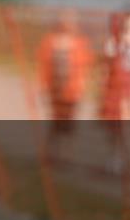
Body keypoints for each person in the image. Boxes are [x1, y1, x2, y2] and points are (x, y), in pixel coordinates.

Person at [36, 10, 93, 160]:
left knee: (69, 123)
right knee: (55, 121)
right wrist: (43, 87)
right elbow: (44, 66)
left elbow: (84, 67)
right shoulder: (50, 42)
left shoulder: (80, 43)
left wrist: (82, 86)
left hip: (71, 91)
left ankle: (67, 154)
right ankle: (52, 153)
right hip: (55, 90)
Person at [98, 9, 130, 171]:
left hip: (128, 85)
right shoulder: (113, 41)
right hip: (114, 86)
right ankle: (114, 155)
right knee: (113, 125)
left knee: (127, 123)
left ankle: (124, 157)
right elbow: (106, 67)